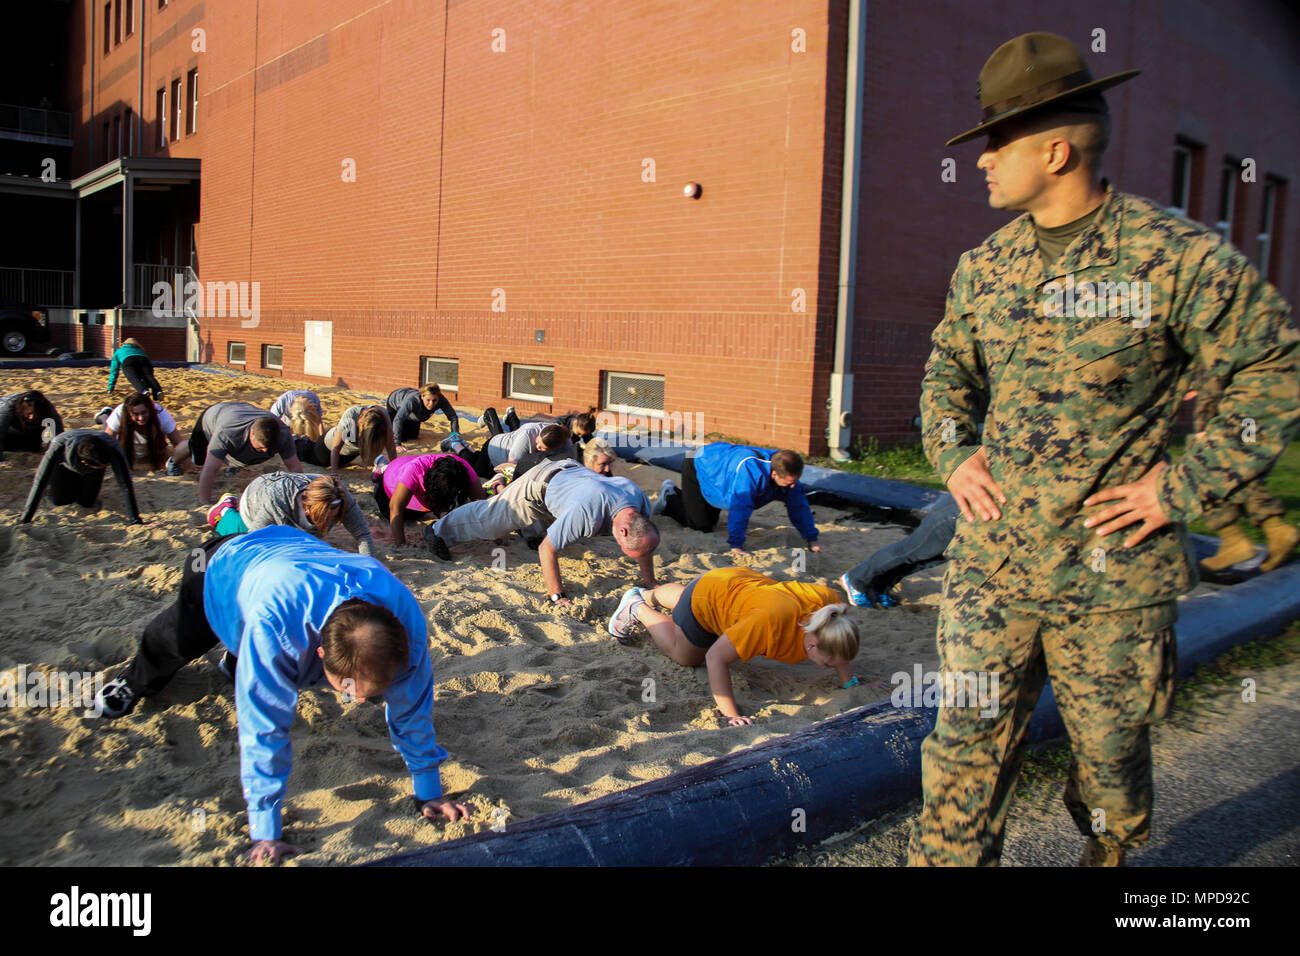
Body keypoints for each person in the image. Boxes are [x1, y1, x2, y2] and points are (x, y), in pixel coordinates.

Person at [911, 33, 1300, 868]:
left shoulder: (1174, 257)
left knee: (1111, 760)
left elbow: (1277, 366)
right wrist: (953, 451)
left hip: (1113, 576)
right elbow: (947, 372)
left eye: (995, 144)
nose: (980, 162)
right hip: (994, 565)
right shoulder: (983, 269)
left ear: (1054, 150)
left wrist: (1182, 487)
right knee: (962, 753)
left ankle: (1110, 849)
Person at [94, 526, 469, 864]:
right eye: (349, 689)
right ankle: (133, 680)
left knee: (266, 656)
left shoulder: (407, 624)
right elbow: (264, 726)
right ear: (320, 653)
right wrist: (265, 831)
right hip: (225, 569)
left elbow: (413, 706)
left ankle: (238, 658)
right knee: (176, 642)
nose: (355, 701)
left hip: (293, 555)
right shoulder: (275, 627)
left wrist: (429, 791)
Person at [606, 567, 859, 725]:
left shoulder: (831, 609)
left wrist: (850, 682)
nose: (830, 666)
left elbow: (838, 646)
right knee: (686, 656)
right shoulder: (768, 622)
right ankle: (637, 606)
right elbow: (716, 658)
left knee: (699, 594)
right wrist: (731, 714)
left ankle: (652, 593)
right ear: (813, 644)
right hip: (709, 601)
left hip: (733, 580)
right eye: (827, 663)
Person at [428, 454, 659, 603]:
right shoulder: (587, 513)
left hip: (569, 481)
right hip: (538, 487)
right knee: (489, 521)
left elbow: (643, 546)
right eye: (624, 548)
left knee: (548, 529)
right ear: (622, 532)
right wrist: (557, 595)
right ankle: (437, 529)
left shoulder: (638, 503)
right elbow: (546, 550)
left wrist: (651, 582)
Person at [1188, 383, 1300, 573]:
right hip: (1267, 405)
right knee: (1242, 467)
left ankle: (1237, 539)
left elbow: (1215, 373)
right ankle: (1273, 529)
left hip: (1245, 409)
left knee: (1200, 466)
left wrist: (1203, 421)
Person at [655, 442, 821, 555]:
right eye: (789, 482)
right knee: (700, 525)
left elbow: (799, 507)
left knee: (709, 518)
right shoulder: (750, 473)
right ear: (775, 473)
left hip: (722, 472)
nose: (793, 486)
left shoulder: (787, 476)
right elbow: (740, 508)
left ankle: (693, 501)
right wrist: (736, 545)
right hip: (700, 463)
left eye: (795, 481)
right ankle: (670, 497)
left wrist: (812, 539)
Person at [206, 472, 376, 556]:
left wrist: (369, 565)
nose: (331, 521)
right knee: (241, 533)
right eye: (326, 518)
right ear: (308, 507)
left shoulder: (341, 497)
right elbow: (252, 542)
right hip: (255, 500)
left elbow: (363, 534)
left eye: (334, 518)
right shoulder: (276, 501)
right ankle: (224, 511)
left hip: (296, 501)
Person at [840, 494, 961, 608]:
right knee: (910, 550)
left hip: (968, 523)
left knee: (934, 558)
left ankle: (879, 586)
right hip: (954, 514)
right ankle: (856, 579)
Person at [170, 402, 305, 505]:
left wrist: (301, 497)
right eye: (261, 447)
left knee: (249, 456)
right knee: (198, 458)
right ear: (252, 434)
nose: (265, 451)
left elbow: (295, 467)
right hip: (213, 418)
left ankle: (234, 465)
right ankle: (173, 462)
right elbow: (210, 469)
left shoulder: (283, 434)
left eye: (269, 448)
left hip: (240, 415)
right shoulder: (228, 432)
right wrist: (205, 504)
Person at [19, 429, 143, 524]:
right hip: (63, 466)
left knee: (87, 502)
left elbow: (125, 483)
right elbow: (40, 481)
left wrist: (134, 519)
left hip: (93, 468)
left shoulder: (112, 448)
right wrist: (26, 518)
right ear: (85, 463)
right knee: (61, 501)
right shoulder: (59, 445)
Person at [373, 451, 484, 546]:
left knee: (443, 512)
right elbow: (395, 507)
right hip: (391, 482)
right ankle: (382, 469)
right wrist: (401, 544)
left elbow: (481, 506)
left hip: (413, 474)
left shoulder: (463, 469)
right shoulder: (415, 471)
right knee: (402, 516)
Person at [442, 422, 571, 480]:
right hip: (495, 448)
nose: (538, 447)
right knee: (477, 472)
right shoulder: (527, 436)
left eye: (543, 448)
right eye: (538, 443)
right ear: (540, 434)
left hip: (505, 455)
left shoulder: (564, 440)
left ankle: (464, 445)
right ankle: (455, 444)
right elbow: (511, 468)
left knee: (478, 461)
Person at [294, 403, 398, 474]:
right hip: (327, 449)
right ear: (359, 425)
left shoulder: (382, 415)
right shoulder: (350, 418)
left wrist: (395, 467)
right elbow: (335, 448)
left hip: (350, 453)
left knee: (344, 463)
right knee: (306, 453)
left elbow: (390, 445)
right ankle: (296, 440)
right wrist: (334, 474)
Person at [97, 393, 186, 472]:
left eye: (144, 412)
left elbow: (179, 443)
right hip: (123, 433)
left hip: (147, 440)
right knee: (106, 433)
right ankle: (105, 415)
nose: (141, 417)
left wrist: (188, 466)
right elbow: (107, 441)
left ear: (150, 410)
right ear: (129, 414)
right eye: (136, 414)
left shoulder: (162, 415)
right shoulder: (119, 414)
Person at [386, 384, 459, 449]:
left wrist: (455, 436)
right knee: (402, 438)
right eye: (428, 400)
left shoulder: (441, 400)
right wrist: (397, 444)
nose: (431, 404)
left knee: (413, 436)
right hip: (395, 403)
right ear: (422, 396)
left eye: (434, 400)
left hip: (415, 414)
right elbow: (398, 419)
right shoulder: (412, 400)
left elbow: (453, 417)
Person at [0, 389, 63, 463]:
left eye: (35, 414)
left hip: (30, 431)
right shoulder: (8, 408)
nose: (32, 417)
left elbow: (58, 433)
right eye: (29, 414)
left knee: (32, 448)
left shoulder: (47, 408)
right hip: (8, 430)